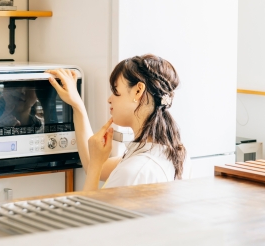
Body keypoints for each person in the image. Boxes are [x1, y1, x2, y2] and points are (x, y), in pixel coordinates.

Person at [47, 54, 189, 191]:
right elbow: (92, 165)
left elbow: (89, 214)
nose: (109, 99)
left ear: (138, 91)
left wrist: (95, 164)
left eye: (116, 91)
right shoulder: (172, 153)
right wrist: (77, 105)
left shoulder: (133, 171)